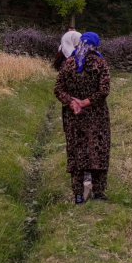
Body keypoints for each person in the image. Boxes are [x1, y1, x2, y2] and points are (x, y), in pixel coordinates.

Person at [54, 32, 111, 204]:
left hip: (74, 118)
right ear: (96, 46)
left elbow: (58, 89)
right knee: (98, 151)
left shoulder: (69, 63)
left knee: (77, 154)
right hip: (97, 117)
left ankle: (78, 194)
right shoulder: (100, 63)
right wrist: (86, 102)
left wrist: (72, 103)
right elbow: (104, 90)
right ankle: (98, 192)